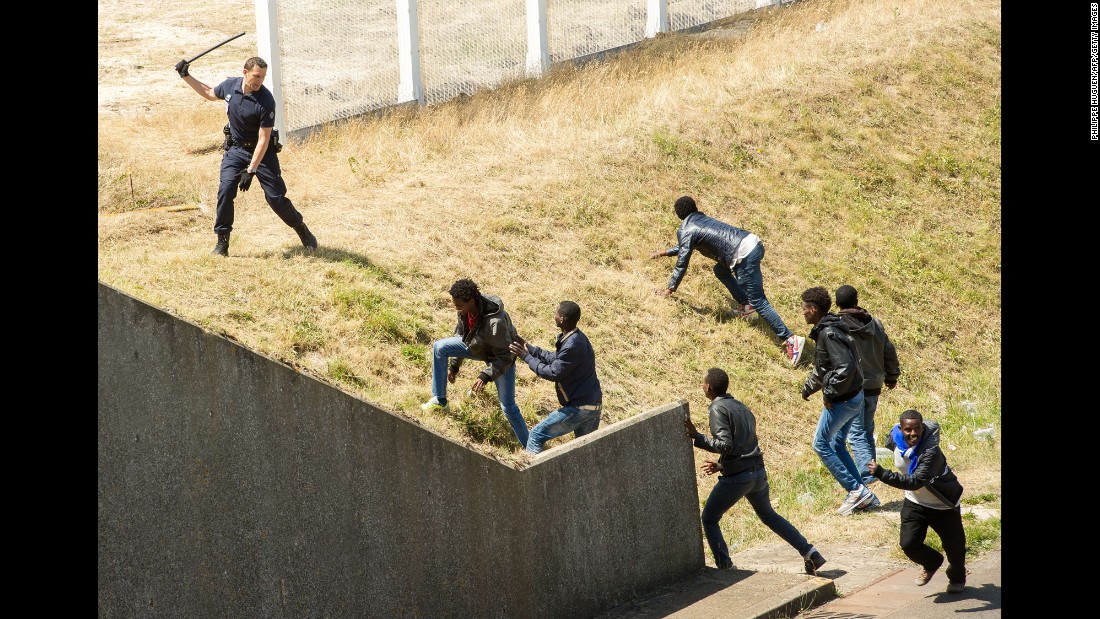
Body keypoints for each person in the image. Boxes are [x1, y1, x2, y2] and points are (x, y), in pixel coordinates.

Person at [685, 368, 827, 574]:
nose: (702, 386)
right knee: (769, 515)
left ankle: (725, 567)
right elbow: (744, 446)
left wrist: (697, 437)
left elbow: (726, 445)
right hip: (757, 473)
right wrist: (721, 465)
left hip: (738, 478)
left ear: (708, 387)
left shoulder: (717, 409)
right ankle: (810, 552)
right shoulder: (741, 407)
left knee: (709, 518)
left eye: (702, 383)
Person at [175, 56, 317, 256]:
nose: (260, 81)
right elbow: (208, 93)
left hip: (262, 153)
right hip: (235, 150)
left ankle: (300, 227)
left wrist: (251, 170)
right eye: (257, 76)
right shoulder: (229, 86)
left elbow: (263, 139)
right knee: (225, 191)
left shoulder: (266, 100)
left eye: (263, 77)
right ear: (245, 72)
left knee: (275, 198)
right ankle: (222, 242)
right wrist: (186, 75)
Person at [650, 196, 805, 365]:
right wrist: (664, 252)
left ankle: (790, 339)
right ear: (694, 207)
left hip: (742, 256)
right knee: (720, 271)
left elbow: (683, 261)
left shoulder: (686, 229)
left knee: (759, 300)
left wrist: (670, 289)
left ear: (678, 215)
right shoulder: (700, 218)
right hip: (752, 243)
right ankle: (746, 307)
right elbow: (684, 248)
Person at [421, 278, 528, 448]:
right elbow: (461, 336)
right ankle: (440, 400)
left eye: (459, 306)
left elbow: (505, 355)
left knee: (508, 407)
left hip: (500, 357)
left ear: (471, 301)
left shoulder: (495, 322)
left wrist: (485, 375)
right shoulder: (465, 310)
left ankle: (530, 447)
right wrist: (454, 366)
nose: (457, 309)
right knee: (440, 347)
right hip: (478, 347)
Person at [798, 286, 878, 515]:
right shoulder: (830, 328)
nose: (802, 313)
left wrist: (829, 393)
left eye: (804, 309)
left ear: (813, 310)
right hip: (854, 396)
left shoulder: (828, 333)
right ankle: (864, 494)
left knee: (820, 443)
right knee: (835, 444)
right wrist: (807, 389)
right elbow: (823, 368)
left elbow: (845, 367)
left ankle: (855, 490)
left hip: (845, 400)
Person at [869, 409, 966, 594]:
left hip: (943, 504)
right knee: (908, 544)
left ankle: (957, 578)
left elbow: (914, 482)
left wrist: (882, 473)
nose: (913, 434)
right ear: (901, 429)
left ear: (922, 428)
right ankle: (932, 562)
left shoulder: (931, 453)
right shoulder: (894, 439)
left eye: (917, 429)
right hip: (915, 502)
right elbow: (894, 449)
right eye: (908, 430)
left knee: (955, 549)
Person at [508, 301, 602, 454]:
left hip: (580, 409)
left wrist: (526, 357)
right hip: (593, 407)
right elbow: (555, 359)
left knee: (536, 435)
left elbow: (553, 372)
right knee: (585, 455)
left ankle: (532, 476)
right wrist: (530, 349)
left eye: (556, 313)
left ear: (562, 319)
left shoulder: (573, 344)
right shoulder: (576, 338)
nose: (554, 315)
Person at [835, 284, 901, 503]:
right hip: (874, 385)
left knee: (856, 433)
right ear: (856, 301)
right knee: (866, 428)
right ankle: (872, 468)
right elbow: (888, 350)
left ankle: (866, 474)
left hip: (854, 387)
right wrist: (892, 376)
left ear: (837, 303)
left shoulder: (838, 326)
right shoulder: (875, 323)